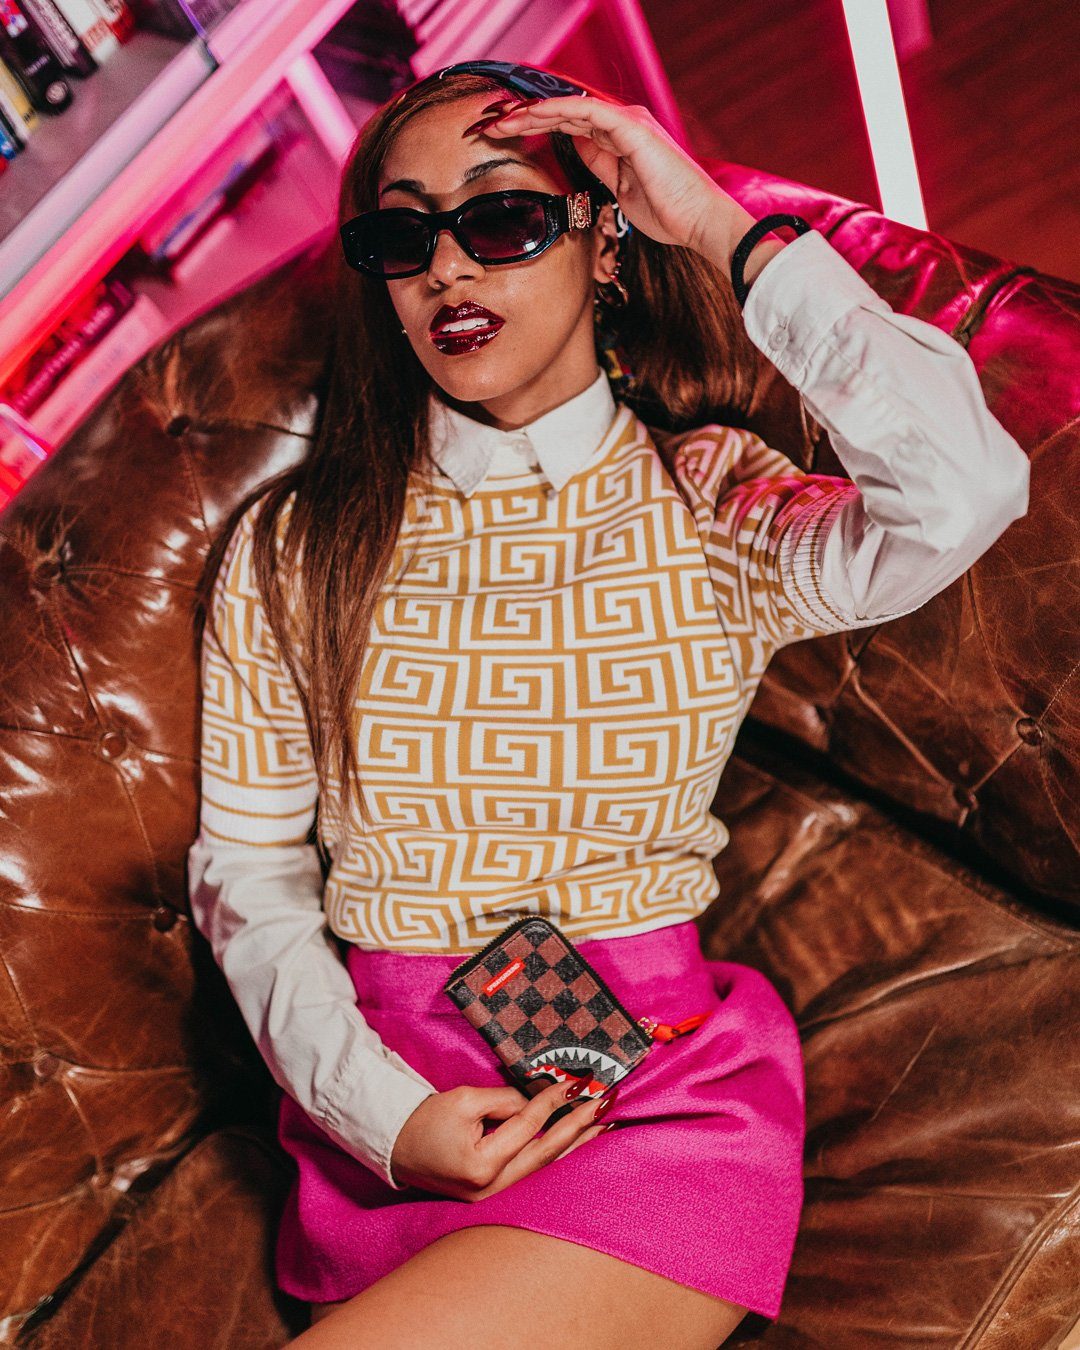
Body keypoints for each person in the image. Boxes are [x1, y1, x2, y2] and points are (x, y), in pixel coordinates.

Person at [186, 60, 1030, 1349]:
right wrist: (376, 1110)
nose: (447, 270)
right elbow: (245, 867)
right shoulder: (296, 548)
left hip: (643, 1093)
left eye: (503, 216)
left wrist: (720, 227)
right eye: (404, 238)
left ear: (605, 241)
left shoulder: (710, 505)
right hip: (383, 1104)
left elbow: (966, 489)